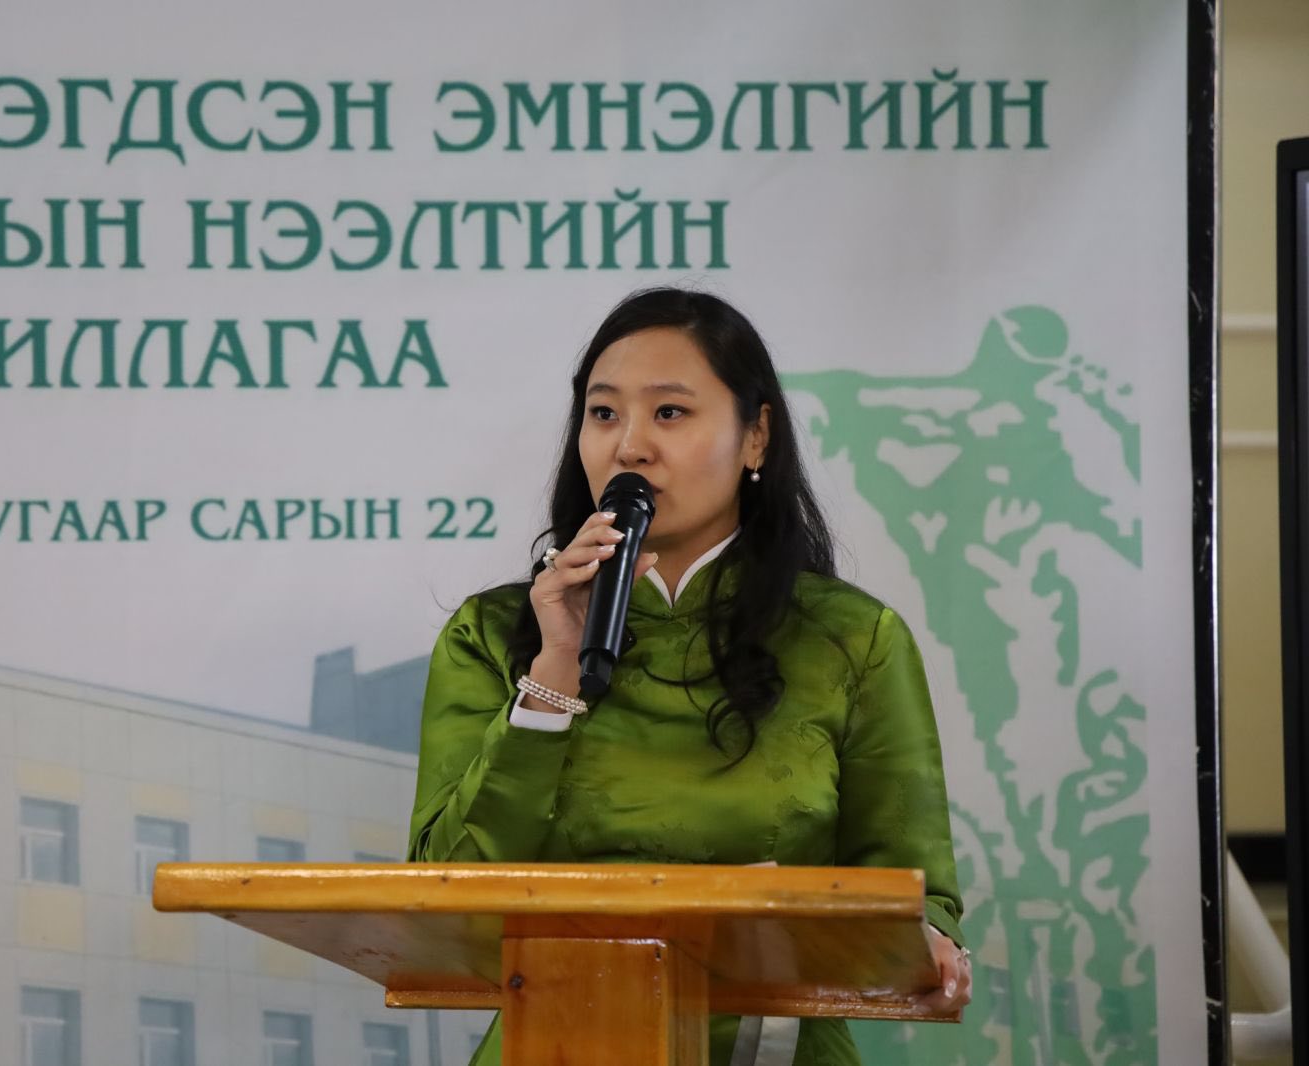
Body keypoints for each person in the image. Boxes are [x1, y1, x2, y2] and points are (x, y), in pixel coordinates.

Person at [406, 287, 972, 1066]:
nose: (629, 447)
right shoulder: (495, 634)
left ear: (755, 436)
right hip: (553, 1043)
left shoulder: (850, 639)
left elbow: (914, 887)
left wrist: (928, 940)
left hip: (777, 1048)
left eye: (669, 412)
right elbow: (440, 893)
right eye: (604, 413)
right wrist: (554, 673)